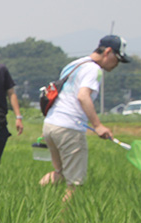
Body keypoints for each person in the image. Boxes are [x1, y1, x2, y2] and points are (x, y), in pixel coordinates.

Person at [38, 35, 131, 202]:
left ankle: (34, 203)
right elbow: (83, 96)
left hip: (51, 125)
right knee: (75, 184)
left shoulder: (74, 64)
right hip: (69, 129)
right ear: (108, 52)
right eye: (117, 59)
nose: (116, 64)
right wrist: (98, 125)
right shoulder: (93, 69)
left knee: (60, 173)